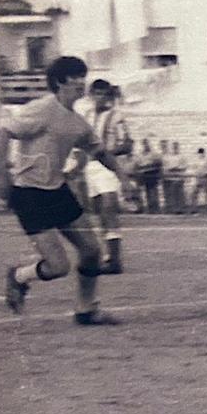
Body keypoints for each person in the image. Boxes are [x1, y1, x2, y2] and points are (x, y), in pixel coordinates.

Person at [0, 56, 129, 325]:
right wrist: (1, 175)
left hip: (57, 192)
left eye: (82, 76)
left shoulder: (78, 122)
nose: (81, 82)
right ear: (59, 82)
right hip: (29, 194)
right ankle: (19, 277)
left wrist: (123, 176)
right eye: (75, 76)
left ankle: (86, 309)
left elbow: (100, 152)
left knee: (91, 251)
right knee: (58, 267)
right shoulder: (42, 109)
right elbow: (3, 131)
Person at [76, 79, 132, 273]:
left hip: (107, 166)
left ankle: (116, 261)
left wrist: (105, 152)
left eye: (103, 93)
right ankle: (109, 256)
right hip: (90, 168)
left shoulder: (117, 117)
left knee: (109, 209)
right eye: (96, 93)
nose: (100, 97)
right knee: (99, 212)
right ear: (91, 96)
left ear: (108, 95)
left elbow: (127, 144)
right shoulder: (86, 116)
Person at [135, 139, 163, 214]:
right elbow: (138, 164)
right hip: (145, 174)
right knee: (147, 191)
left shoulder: (154, 153)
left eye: (147, 144)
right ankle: (150, 208)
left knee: (154, 191)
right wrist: (144, 166)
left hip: (152, 173)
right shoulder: (140, 155)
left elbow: (158, 162)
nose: (146, 146)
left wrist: (150, 165)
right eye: (144, 144)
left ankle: (156, 208)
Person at [190, 148, 207, 213]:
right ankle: (194, 209)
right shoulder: (196, 160)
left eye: (202, 153)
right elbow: (193, 168)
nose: (201, 154)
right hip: (198, 178)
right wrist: (195, 174)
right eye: (199, 153)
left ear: (204, 153)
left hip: (205, 178)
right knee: (195, 193)